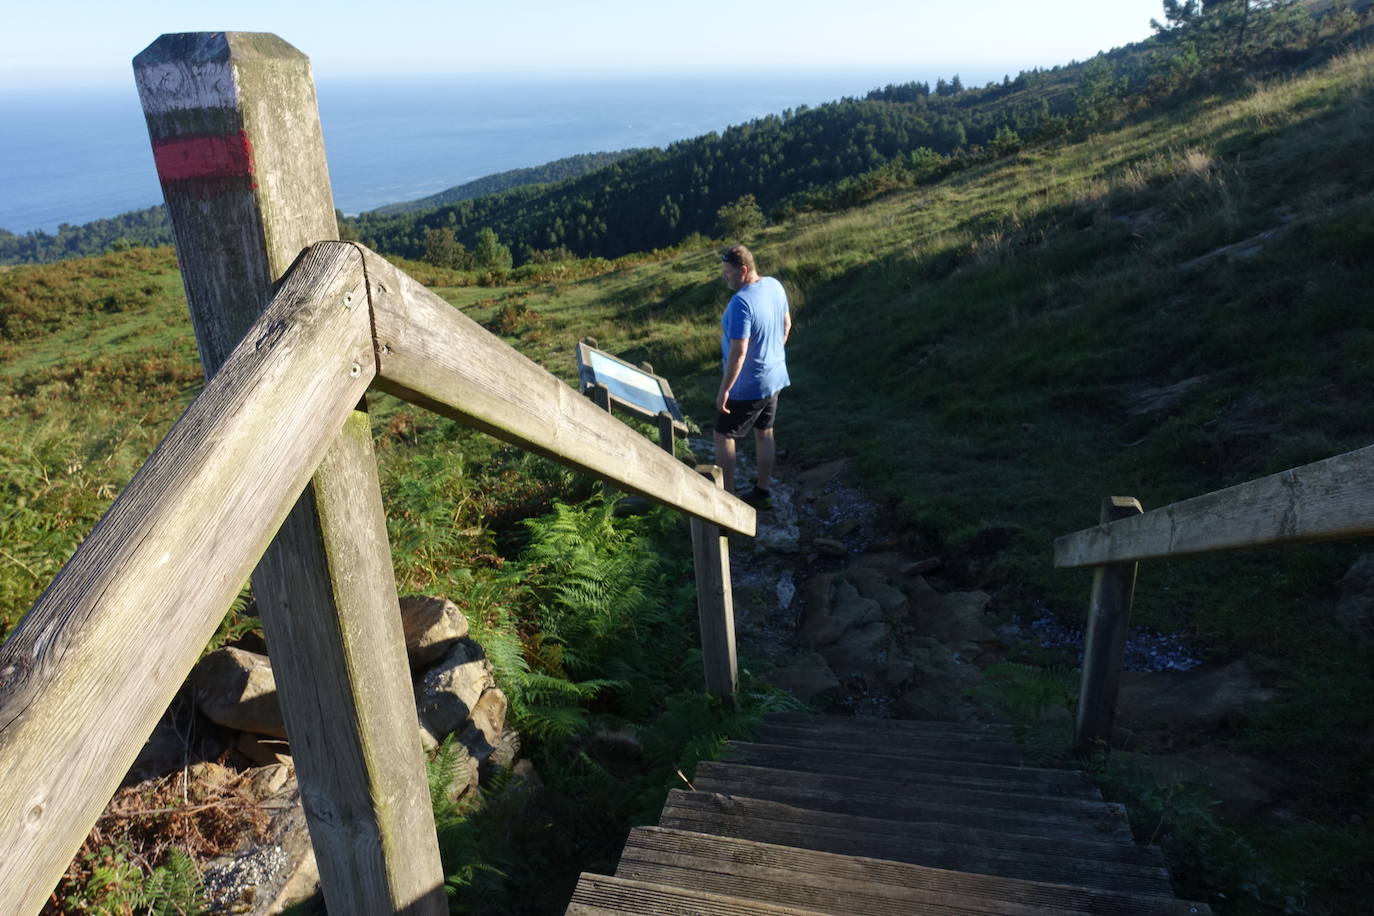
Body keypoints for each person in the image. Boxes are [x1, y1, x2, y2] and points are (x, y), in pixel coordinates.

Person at [714, 244, 791, 508]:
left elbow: (739, 352)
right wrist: (772, 354)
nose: (725, 277)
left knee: (724, 435)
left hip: (749, 384)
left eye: (728, 272)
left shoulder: (741, 302)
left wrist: (725, 389)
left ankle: (728, 500)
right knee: (765, 431)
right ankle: (763, 491)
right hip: (775, 376)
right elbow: (787, 324)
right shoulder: (774, 285)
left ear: (743, 270)